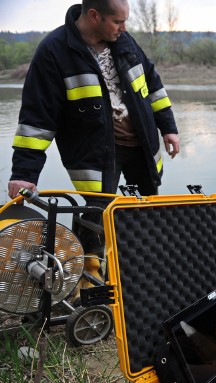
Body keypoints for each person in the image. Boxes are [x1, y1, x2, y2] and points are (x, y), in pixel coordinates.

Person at [8, 0, 180, 291]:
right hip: (95, 152)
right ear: (94, 16)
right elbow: (37, 117)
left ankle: (138, 275)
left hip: (141, 145)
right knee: (92, 213)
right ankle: (89, 280)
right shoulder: (54, 51)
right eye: (118, 22)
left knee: (144, 209)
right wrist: (24, 172)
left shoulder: (124, 41)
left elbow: (152, 84)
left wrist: (169, 128)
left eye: (125, 22)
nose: (124, 28)